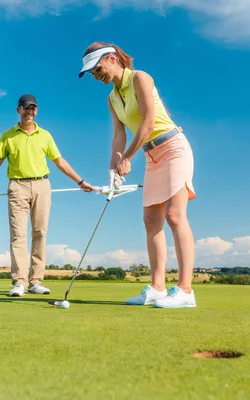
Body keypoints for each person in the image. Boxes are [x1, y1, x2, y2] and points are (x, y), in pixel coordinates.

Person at [78, 42, 197, 308]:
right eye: (93, 74)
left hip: (174, 148)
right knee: (151, 221)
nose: (97, 77)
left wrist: (128, 158)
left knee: (175, 216)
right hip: (150, 156)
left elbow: (148, 123)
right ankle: (157, 288)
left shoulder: (140, 78)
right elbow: (119, 136)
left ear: (112, 59)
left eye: (97, 70)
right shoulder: (112, 99)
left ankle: (186, 290)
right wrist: (113, 168)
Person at [0, 94, 93, 297]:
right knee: (18, 235)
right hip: (17, 187)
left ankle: (35, 281)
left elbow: (60, 162)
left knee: (40, 232)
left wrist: (80, 181)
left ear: (36, 111)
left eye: (33, 108)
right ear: (18, 109)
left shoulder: (45, 135)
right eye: (26, 108)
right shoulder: (8, 136)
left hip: (42, 185)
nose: (30, 112)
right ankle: (19, 282)